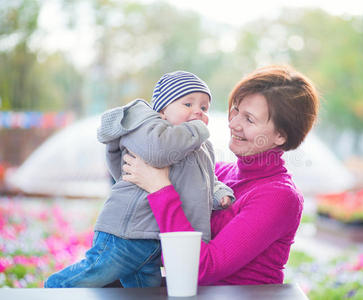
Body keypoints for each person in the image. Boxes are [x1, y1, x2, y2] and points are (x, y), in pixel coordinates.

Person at [122, 65, 320, 285]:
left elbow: (200, 269)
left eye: (249, 119)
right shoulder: (216, 172)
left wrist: (159, 188)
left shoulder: (279, 196)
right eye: (235, 110)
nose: (233, 124)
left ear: (281, 135)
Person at [44, 71, 234, 288]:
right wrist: (196, 130)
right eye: (188, 104)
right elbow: (158, 152)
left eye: (203, 108)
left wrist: (219, 193)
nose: (198, 113)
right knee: (94, 272)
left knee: (146, 291)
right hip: (126, 232)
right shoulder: (146, 130)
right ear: (162, 110)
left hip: (155, 239)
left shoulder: (199, 146)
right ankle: (53, 290)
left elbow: (206, 177)